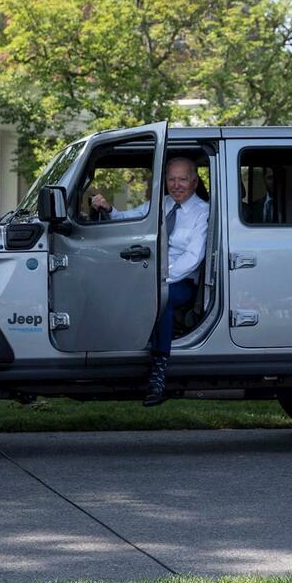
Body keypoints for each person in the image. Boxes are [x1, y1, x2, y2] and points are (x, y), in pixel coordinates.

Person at [90, 156, 209, 406]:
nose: (176, 185)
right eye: (171, 179)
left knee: (160, 298)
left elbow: (193, 257)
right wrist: (108, 209)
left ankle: (159, 372)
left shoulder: (204, 212)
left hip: (182, 281)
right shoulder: (160, 204)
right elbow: (127, 218)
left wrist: (159, 280)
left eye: (183, 179)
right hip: (151, 275)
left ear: (195, 182)